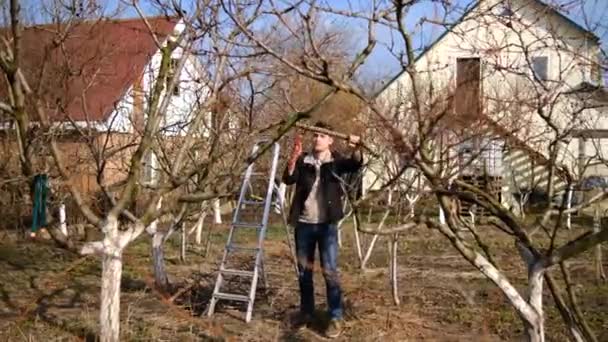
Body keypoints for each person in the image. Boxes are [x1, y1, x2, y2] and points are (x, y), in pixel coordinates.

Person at [282, 121, 363, 338]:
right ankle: (307, 313)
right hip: (304, 224)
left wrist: (356, 147)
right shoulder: (304, 160)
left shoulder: (335, 162)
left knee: (330, 271)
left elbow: (355, 164)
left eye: (322, 136)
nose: (317, 138)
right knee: (304, 273)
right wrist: (293, 155)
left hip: (326, 226)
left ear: (330, 140)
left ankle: (335, 317)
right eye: (315, 135)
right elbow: (288, 178)